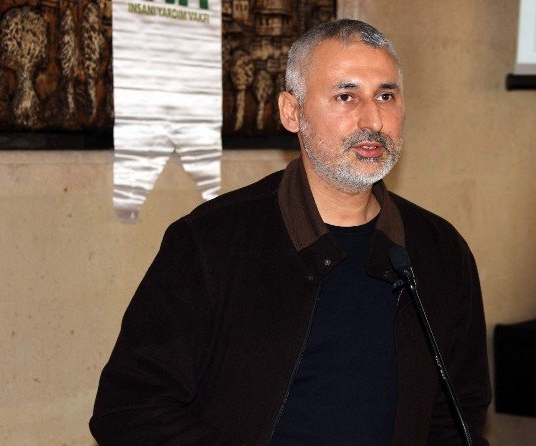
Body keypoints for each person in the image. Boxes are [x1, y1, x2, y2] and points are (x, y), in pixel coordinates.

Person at [90, 19, 491, 445]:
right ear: (291, 112)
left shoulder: (439, 249)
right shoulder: (211, 242)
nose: (373, 119)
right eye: (346, 96)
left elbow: (457, 419)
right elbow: (130, 411)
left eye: (385, 96)